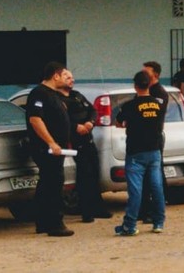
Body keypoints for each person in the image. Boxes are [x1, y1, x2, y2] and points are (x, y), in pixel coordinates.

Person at [114, 70, 167, 236]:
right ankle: (158, 222)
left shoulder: (130, 105)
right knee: (156, 186)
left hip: (136, 152)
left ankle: (130, 225)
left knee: (135, 190)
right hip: (154, 150)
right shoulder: (158, 103)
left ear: (135, 86)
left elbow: (119, 122)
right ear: (149, 84)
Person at [26, 62, 75, 236]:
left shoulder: (54, 95)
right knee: (54, 183)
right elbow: (35, 120)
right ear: (55, 76)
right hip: (46, 149)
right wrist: (51, 142)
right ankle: (55, 223)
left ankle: (43, 222)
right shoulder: (39, 93)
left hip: (57, 148)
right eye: (64, 76)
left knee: (46, 183)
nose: (68, 79)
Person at [58, 70, 111, 223]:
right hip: (74, 142)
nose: (71, 80)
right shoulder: (58, 99)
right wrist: (75, 127)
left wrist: (91, 122)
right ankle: (86, 211)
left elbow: (92, 110)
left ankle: (98, 207)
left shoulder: (77, 95)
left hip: (88, 139)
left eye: (72, 77)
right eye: (67, 77)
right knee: (84, 176)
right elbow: (61, 120)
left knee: (94, 173)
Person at [138, 61, 168, 223]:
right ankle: (144, 210)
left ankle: (155, 211)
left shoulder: (159, 93)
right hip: (141, 140)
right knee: (143, 178)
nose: (143, 74)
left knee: (154, 178)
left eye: (146, 71)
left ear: (155, 74)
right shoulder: (144, 91)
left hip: (154, 139)